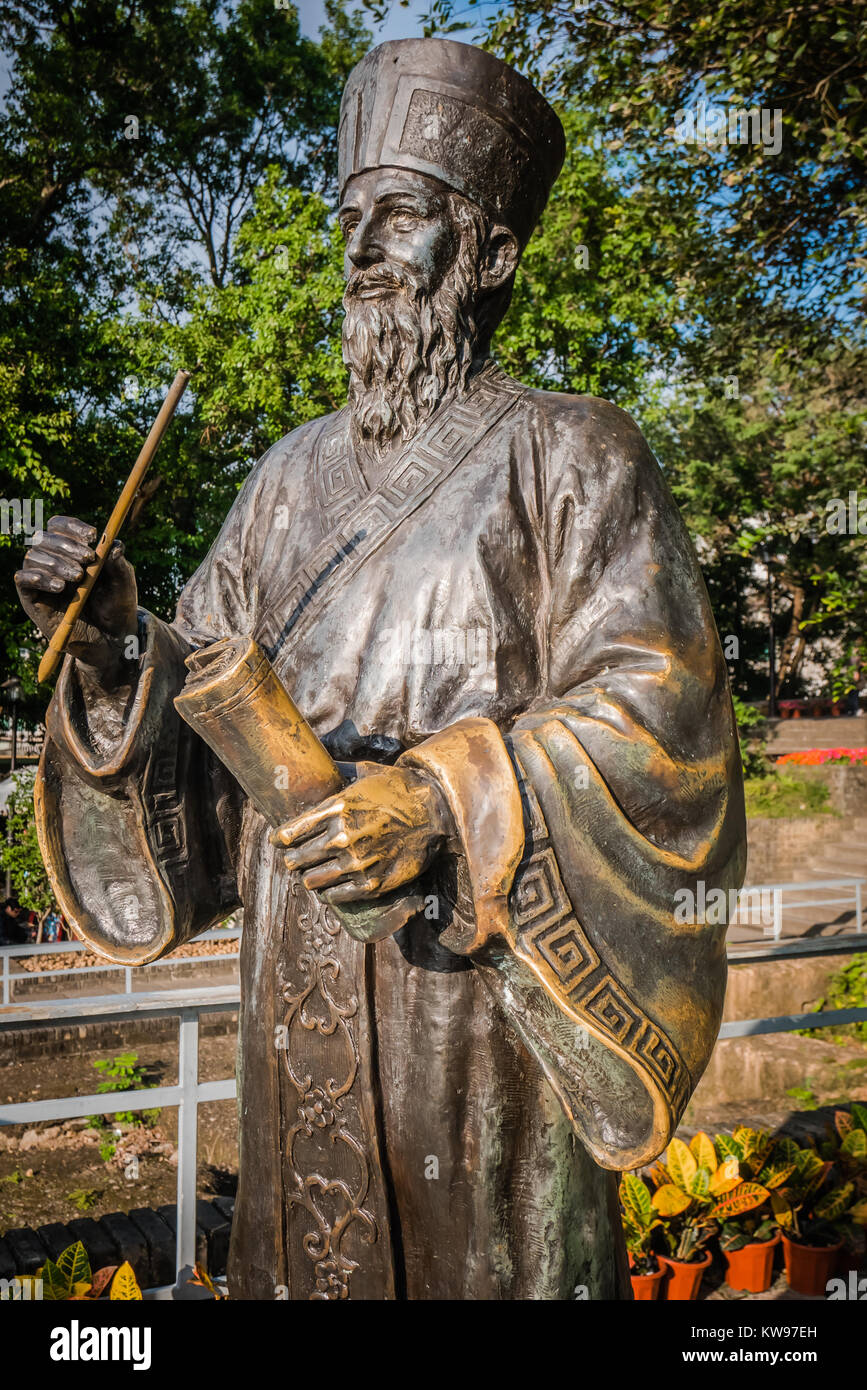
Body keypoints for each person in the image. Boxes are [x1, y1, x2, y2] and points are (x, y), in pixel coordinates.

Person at [16, 39, 745, 1300]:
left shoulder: (576, 455)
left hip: (471, 1002)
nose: (356, 250)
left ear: (491, 254)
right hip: (298, 983)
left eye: (396, 216)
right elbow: (193, 726)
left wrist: (444, 799)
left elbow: (659, 720)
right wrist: (118, 642)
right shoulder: (285, 479)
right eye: (348, 218)